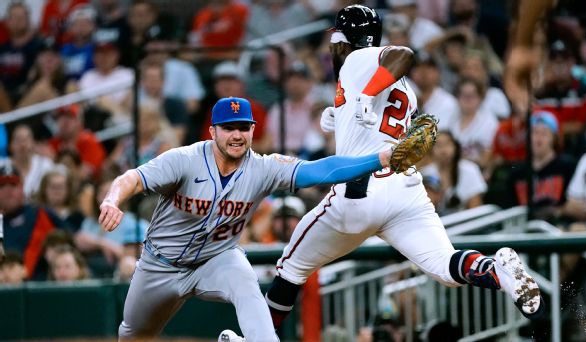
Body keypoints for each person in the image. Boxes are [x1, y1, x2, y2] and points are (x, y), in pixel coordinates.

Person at [252, 6, 543, 340]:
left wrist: (363, 95)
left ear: (349, 39)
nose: (333, 46)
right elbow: (379, 116)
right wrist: (343, 110)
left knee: (291, 268)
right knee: (445, 265)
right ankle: (497, 270)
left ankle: (255, 338)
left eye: (337, 39)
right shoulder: (405, 88)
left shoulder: (360, 60)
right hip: (405, 192)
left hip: (359, 193)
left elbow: (403, 53)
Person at [98, 97, 397, 341]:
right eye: (229, 128)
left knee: (246, 284)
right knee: (134, 333)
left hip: (216, 260)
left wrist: (380, 159)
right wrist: (112, 199)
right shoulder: (184, 160)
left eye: (244, 127)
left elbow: (320, 170)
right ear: (213, 131)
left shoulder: (264, 168)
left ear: (253, 130)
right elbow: (133, 178)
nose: (237, 135)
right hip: (159, 265)